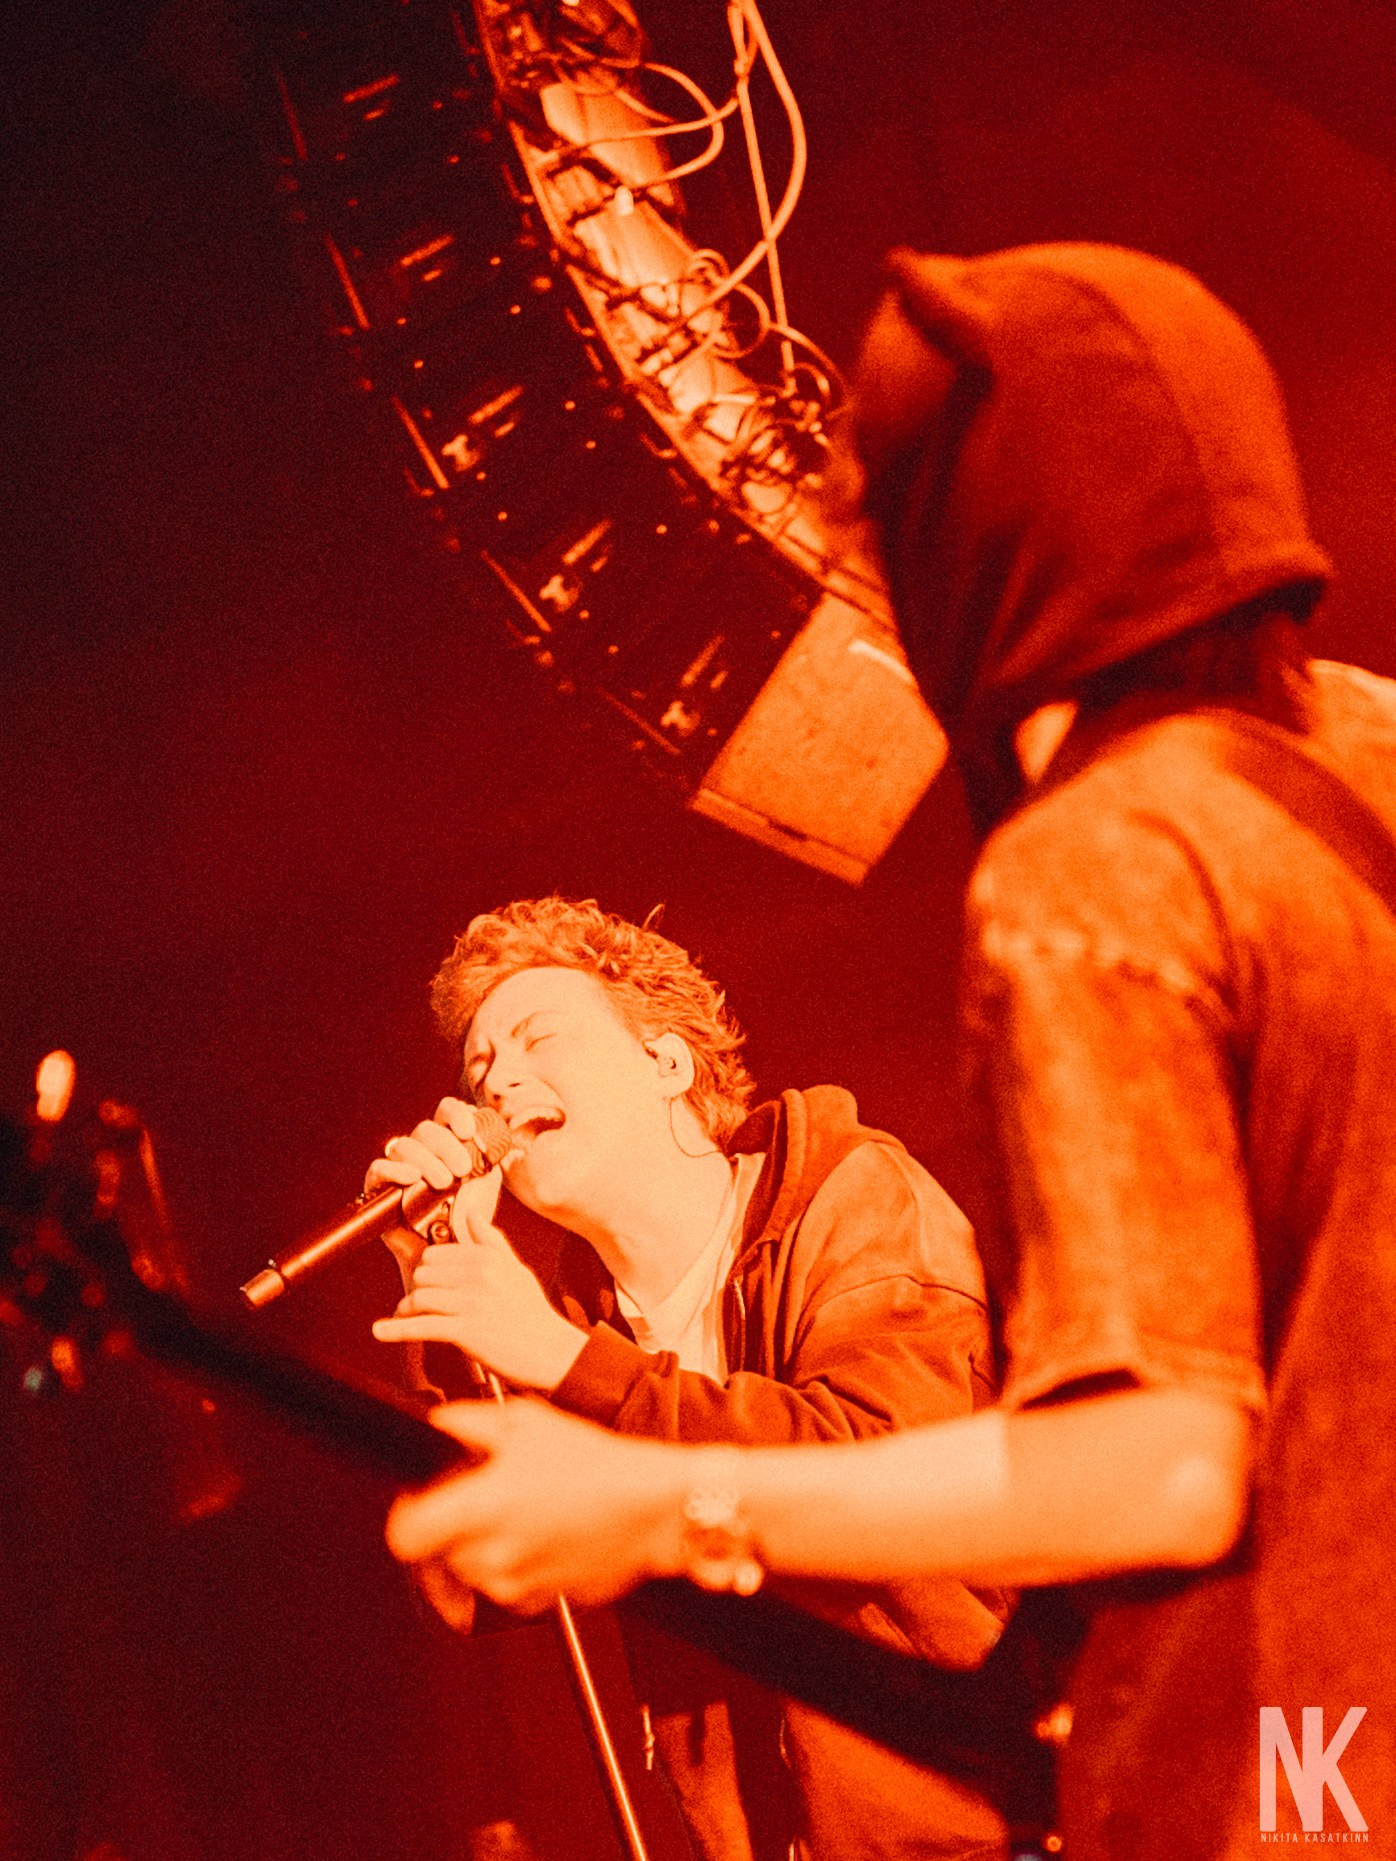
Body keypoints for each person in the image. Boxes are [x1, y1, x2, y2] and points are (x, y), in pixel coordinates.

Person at [382, 246, 1396, 1860]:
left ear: (966, 560)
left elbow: (1161, 1467)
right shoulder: (1364, 751)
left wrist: (653, 1497)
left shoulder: (1102, 865)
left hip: (1284, 1767)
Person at [367, 896, 1013, 1861]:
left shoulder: (849, 1194)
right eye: (479, 1066)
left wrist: (564, 1360)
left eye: (538, 1036)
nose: (496, 1079)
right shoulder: (577, 1327)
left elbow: (881, 1471)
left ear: (666, 1063)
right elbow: (467, 1585)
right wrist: (446, 1294)